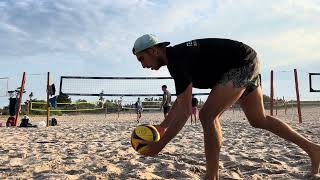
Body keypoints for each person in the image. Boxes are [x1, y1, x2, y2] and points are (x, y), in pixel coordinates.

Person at [132, 34, 320, 179]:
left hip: (241, 63)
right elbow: (183, 102)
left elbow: (185, 110)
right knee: (258, 119)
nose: (142, 65)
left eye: (141, 59)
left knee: (207, 116)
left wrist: (161, 144)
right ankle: (314, 149)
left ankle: (211, 176)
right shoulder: (177, 58)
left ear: (154, 51)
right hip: (245, 61)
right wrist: (163, 127)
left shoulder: (177, 60)